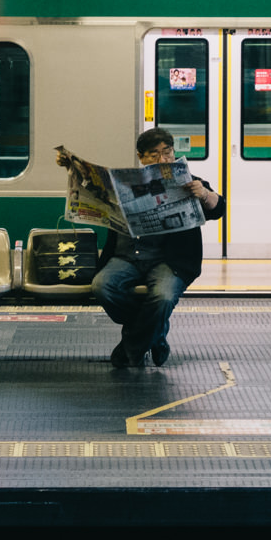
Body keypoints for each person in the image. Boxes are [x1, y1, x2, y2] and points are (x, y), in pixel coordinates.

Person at [57, 129, 223, 368]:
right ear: (141, 157)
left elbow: (219, 209)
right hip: (126, 256)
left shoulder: (187, 181)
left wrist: (206, 194)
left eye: (167, 153)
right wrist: (71, 167)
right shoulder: (124, 184)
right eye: (154, 155)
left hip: (169, 261)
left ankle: (130, 348)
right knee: (102, 287)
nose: (162, 160)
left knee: (163, 297)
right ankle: (156, 335)